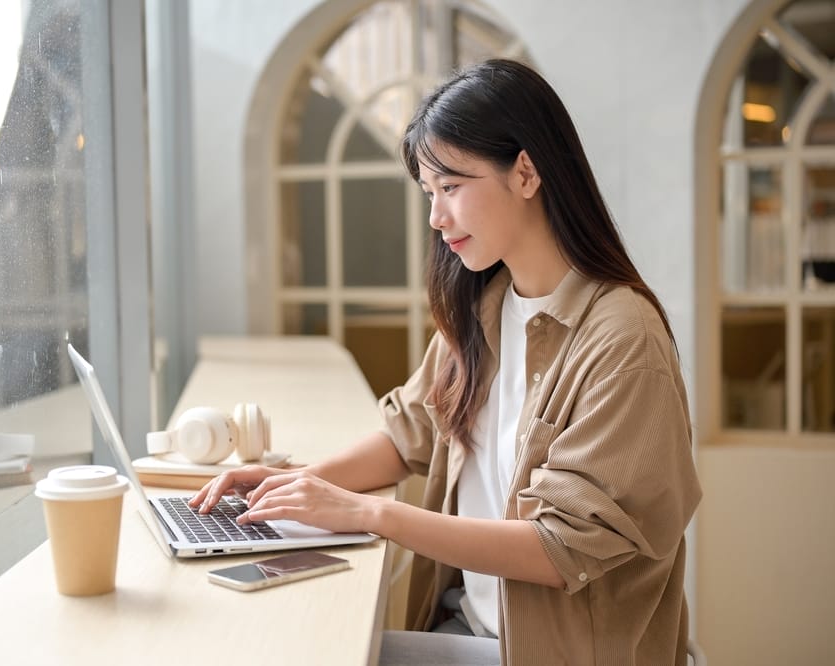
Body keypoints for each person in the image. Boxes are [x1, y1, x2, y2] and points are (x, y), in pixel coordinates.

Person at [191, 58, 702, 665]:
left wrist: (369, 512)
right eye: (430, 193)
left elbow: (560, 548)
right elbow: (410, 431)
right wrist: (297, 485)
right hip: (469, 629)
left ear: (527, 173)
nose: (436, 218)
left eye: (452, 188)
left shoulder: (623, 341)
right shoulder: (482, 308)